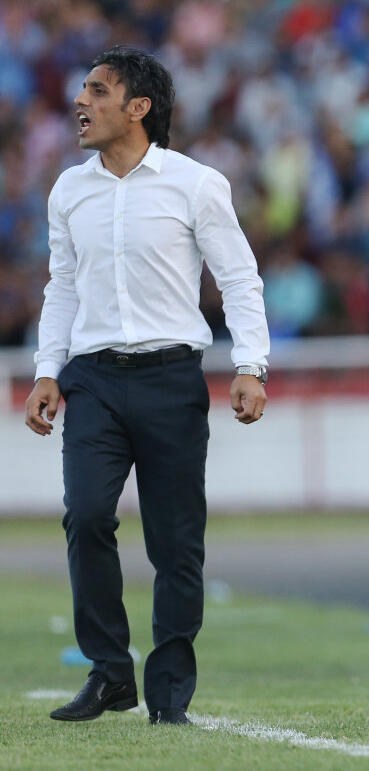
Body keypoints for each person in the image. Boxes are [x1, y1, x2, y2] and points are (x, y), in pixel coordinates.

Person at [23, 47, 269, 726]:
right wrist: (47, 372)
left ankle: (169, 695)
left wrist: (251, 365)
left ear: (139, 107)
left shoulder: (196, 184)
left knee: (176, 544)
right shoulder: (68, 190)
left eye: (98, 91)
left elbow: (239, 278)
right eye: (82, 90)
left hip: (170, 379)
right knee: (86, 516)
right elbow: (62, 287)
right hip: (93, 381)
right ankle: (109, 673)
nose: (81, 102)